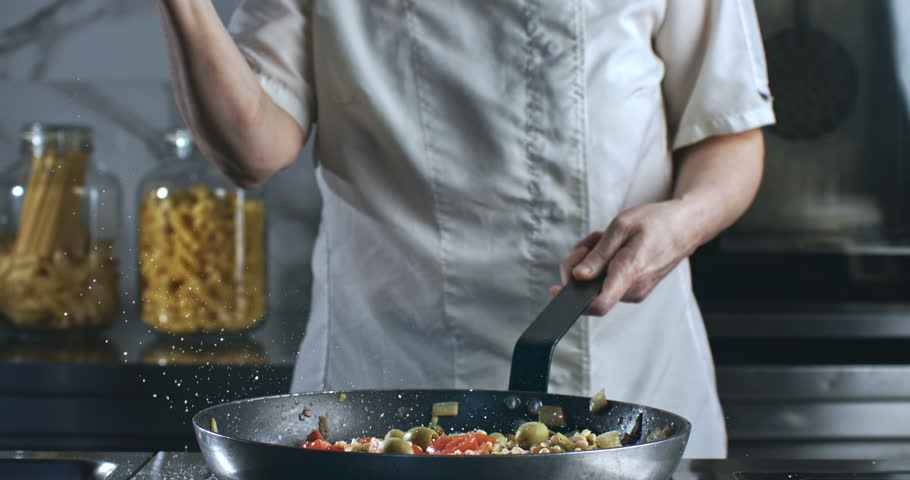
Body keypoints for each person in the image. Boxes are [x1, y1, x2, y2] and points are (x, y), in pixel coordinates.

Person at [156, 0, 774, 458]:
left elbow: (727, 131)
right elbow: (253, 150)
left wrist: (681, 222)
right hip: (379, 389)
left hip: (628, 386)